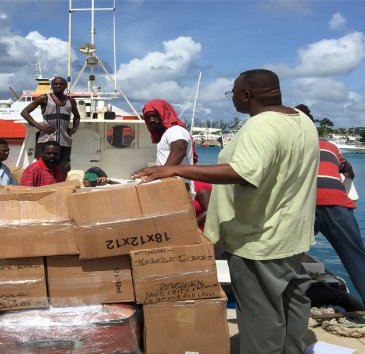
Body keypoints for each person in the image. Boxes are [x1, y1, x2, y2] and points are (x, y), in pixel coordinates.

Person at [132, 69, 319, 354]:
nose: (231, 98)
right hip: (294, 234)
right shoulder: (302, 120)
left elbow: (243, 172)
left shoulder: (261, 126)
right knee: (292, 302)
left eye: (232, 92)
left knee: (261, 320)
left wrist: (176, 168)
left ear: (246, 95)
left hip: (260, 240)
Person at [296, 103, 365, 337]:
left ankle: (283, 314)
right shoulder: (330, 146)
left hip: (304, 206)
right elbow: (348, 169)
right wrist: (346, 174)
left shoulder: (290, 145)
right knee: (358, 261)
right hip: (337, 205)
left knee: (282, 260)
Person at [20, 77, 81, 170]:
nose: (58, 86)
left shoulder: (70, 101)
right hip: (46, 140)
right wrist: (40, 127)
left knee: (64, 167)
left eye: (61, 84)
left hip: (65, 141)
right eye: (56, 84)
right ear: (51, 86)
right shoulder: (44, 98)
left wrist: (74, 129)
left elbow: (77, 116)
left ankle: (60, 184)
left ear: (65, 86)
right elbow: (24, 112)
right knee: (42, 166)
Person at [142, 99, 195, 190]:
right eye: (148, 117)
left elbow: (180, 150)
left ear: (164, 113)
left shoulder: (175, 130)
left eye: (155, 115)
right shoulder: (167, 133)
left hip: (178, 188)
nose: (151, 120)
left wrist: (159, 173)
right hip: (171, 186)